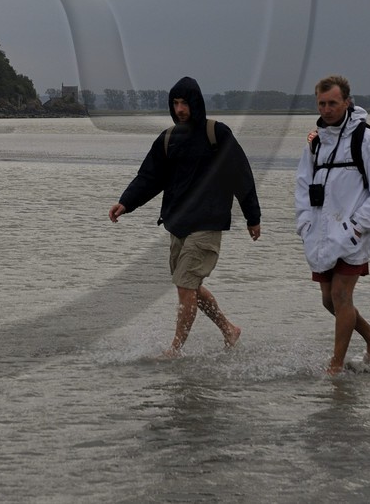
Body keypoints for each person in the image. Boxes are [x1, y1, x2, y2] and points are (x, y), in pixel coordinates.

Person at [108, 76, 262, 357]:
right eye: (175, 103)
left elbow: (241, 175)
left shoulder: (217, 134)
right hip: (178, 225)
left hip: (208, 223)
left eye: (185, 103)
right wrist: (125, 202)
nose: (180, 109)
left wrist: (253, 217)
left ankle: (175, 349)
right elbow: (149, 178)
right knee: (189, 284)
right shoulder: (168, 139)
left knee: (185, 285)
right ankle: (229, 329)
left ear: (196, 103)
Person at [295, 74, 370, 374]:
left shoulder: (366, 139)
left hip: (353, 232)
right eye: (322, 103)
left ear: (347, 102)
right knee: (329, 301)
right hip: (320, 232)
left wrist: (358, 225)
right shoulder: (315, 143)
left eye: (333, 103)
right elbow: (303, 184)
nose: (327, 109)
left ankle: (336, 365)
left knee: (342, 296)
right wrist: (304, 223)